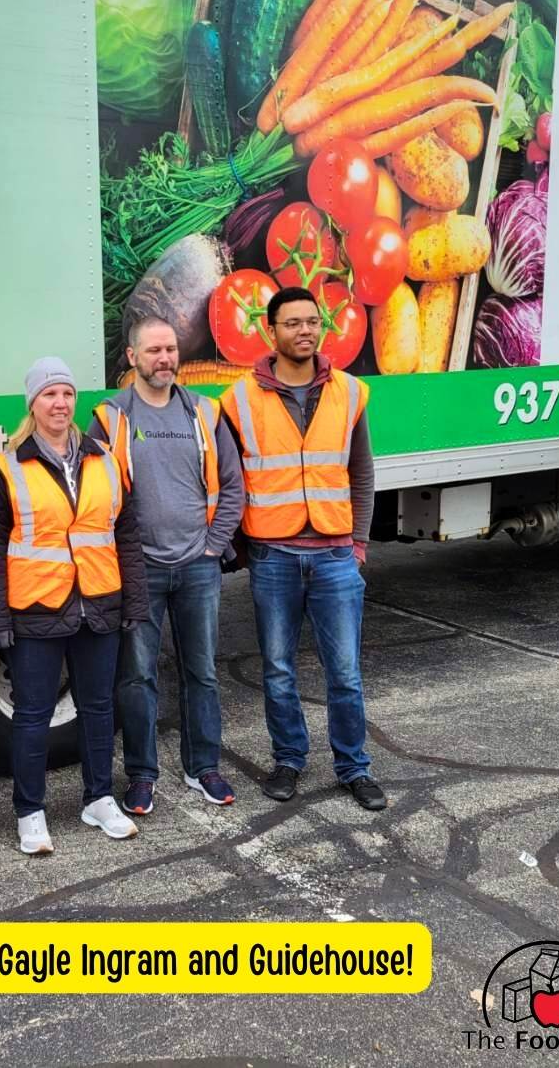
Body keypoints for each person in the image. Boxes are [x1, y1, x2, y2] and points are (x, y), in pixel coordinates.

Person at [219, 286, 386, 812]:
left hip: (336, 555)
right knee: (278, 669)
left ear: (323, 326)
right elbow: (230, 481)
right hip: (274, 558)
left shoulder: (349, 392)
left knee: (345, 672)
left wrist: (357, 544)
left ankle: (354, 768)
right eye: (292, 323)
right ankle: (288, 759)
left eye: (312, 321)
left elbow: (361, 472)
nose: (305, 331)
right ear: (272, 331)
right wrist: (248, 548)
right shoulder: (238, 399)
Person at [0, 357, 149, 854]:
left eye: (68, 394)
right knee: (32, 714)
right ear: (33, 403)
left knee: (99, 708)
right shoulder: (8, 466)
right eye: (50, 394)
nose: (60, 403)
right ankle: (30, 812)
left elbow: (127, 535)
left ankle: (98, 799)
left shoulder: (104, 458)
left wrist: (133, 603)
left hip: (98, 603)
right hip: (36, 606)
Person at [89, 316, 245, 816]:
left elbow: (234, 486)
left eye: (171, 349)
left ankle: (204, 767)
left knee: (202, 672)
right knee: (136, 677)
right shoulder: (110, 418)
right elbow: (93, 497)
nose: (166, 359)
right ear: (132, 357)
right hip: (140, 570)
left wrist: (213, 545)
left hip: (198, 566)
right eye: (154, 350)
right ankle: (141, 774)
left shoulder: (203, 411)